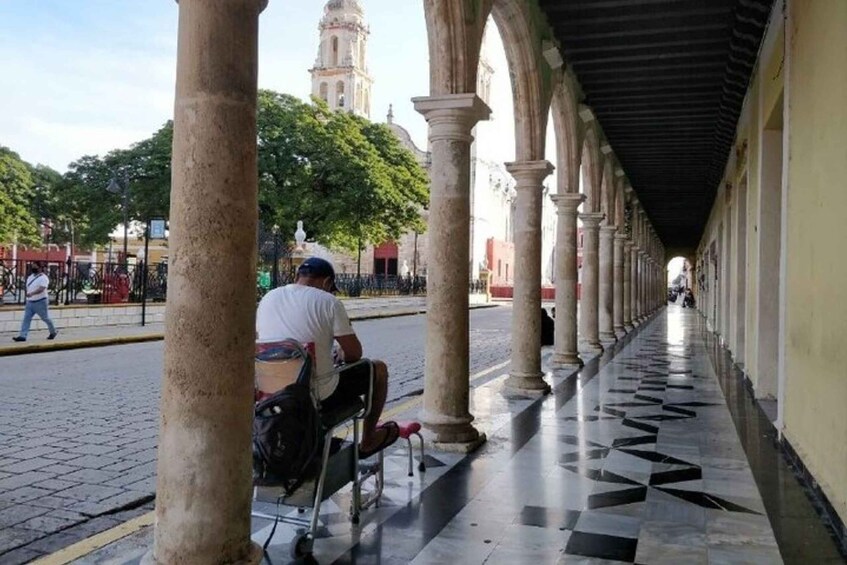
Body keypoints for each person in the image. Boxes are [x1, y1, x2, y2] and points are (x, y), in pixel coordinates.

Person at [256, 257, 399, 458]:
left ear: (298, 276)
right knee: (378, 369)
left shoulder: (268, 298)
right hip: (316, 393)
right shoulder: (329, 302)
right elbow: (354, 354)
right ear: (327, 282)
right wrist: (339, 354)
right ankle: (368, 439)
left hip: (271, 389)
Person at [13, 263, 58, 342]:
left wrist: (32, 293)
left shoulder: (43, 278)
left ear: (40, 268)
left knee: (45, 318)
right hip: (30, 302)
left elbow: (42, 288)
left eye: (35, 267)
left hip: (40, 302)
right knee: (26, 319)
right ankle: (23, 336)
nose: (33, 268)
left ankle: (53, 331)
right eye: (32, 267)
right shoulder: (30, 277)